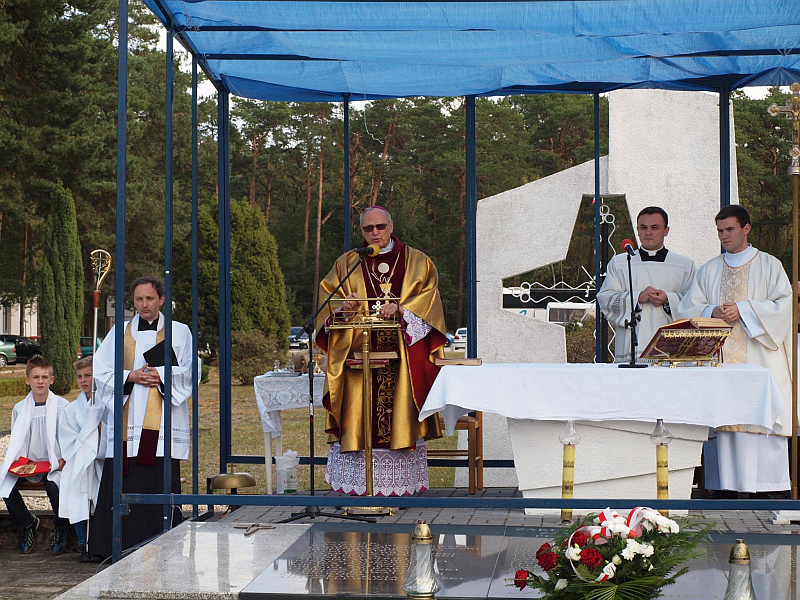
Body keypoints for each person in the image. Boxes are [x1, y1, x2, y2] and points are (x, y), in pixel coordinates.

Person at [316, 206, 446, 496]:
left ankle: (398, 485)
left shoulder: (417, 261)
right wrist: (343, 308)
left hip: (402, 360)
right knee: (358, 417)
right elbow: (329, 303)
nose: (374, 233)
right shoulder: (347, 263)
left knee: (397, 414)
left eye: (380, 226)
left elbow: (430, 301)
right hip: (358, 357)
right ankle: (361, 485)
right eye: (368, 228)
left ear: (391, 226)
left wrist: (402, 309)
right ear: (361, 231)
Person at [678, 205, 793, 495]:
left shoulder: (769, 266)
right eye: (720, 231)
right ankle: (723, 492)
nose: (724, 235)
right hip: (721, 367)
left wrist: (744, 310)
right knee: (724, 427)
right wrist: (711, 309)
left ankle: (770, 492)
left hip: (759, 363)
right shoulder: (710, 269)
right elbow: (686, 308)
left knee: (760, 425)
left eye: (729, 229)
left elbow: (784, 307)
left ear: (746, 228)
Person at [89, 276, 197, 556]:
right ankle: (117, 546)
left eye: (149, 298)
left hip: (161, 422)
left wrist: (160, 375)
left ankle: (165, 545)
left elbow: (191, 370)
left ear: (161, 300)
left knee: (160, 479)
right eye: (138, 299)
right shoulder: (118, 333)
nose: (144, 304)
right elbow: (100, 372)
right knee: (125, 479)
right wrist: (130, 376)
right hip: (129, 421)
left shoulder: (179, 331)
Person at [597, 206, 696, 362]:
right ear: (637, 229)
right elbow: (605, 299)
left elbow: (695, 304)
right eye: (643, 227)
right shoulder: (620, 263)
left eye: (655, 227)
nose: (648, 232)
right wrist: (636, 298)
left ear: (666, 230)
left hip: (670, 349)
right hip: (632, 349)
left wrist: (668, 300)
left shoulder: (684, 265)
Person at [0, 356, 69, 554]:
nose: (40, 381)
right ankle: (27, 523)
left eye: (44, 377)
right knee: (3, 481)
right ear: (27, 380)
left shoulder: (63, 407)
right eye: (36, 377)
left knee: (53, 485)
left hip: (56, 463)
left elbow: (68, 439)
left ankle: (61, 527)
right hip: (28, 463)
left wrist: (62, 460)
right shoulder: (19, 409)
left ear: (51, 380)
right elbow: (16, 441)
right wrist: (15, 461)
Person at [58, 356, 106, 562]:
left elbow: (108, 435)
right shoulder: (70, 410)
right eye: (79, 377)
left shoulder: (106, 405)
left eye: (88, 375)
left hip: (101, 460)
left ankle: (101, 541)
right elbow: (67, 439)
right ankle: (82, 542)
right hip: (79, 461)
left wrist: (98, 434)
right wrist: (87, 441)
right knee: (76, 493)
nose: (84, 380)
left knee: (101, 499)